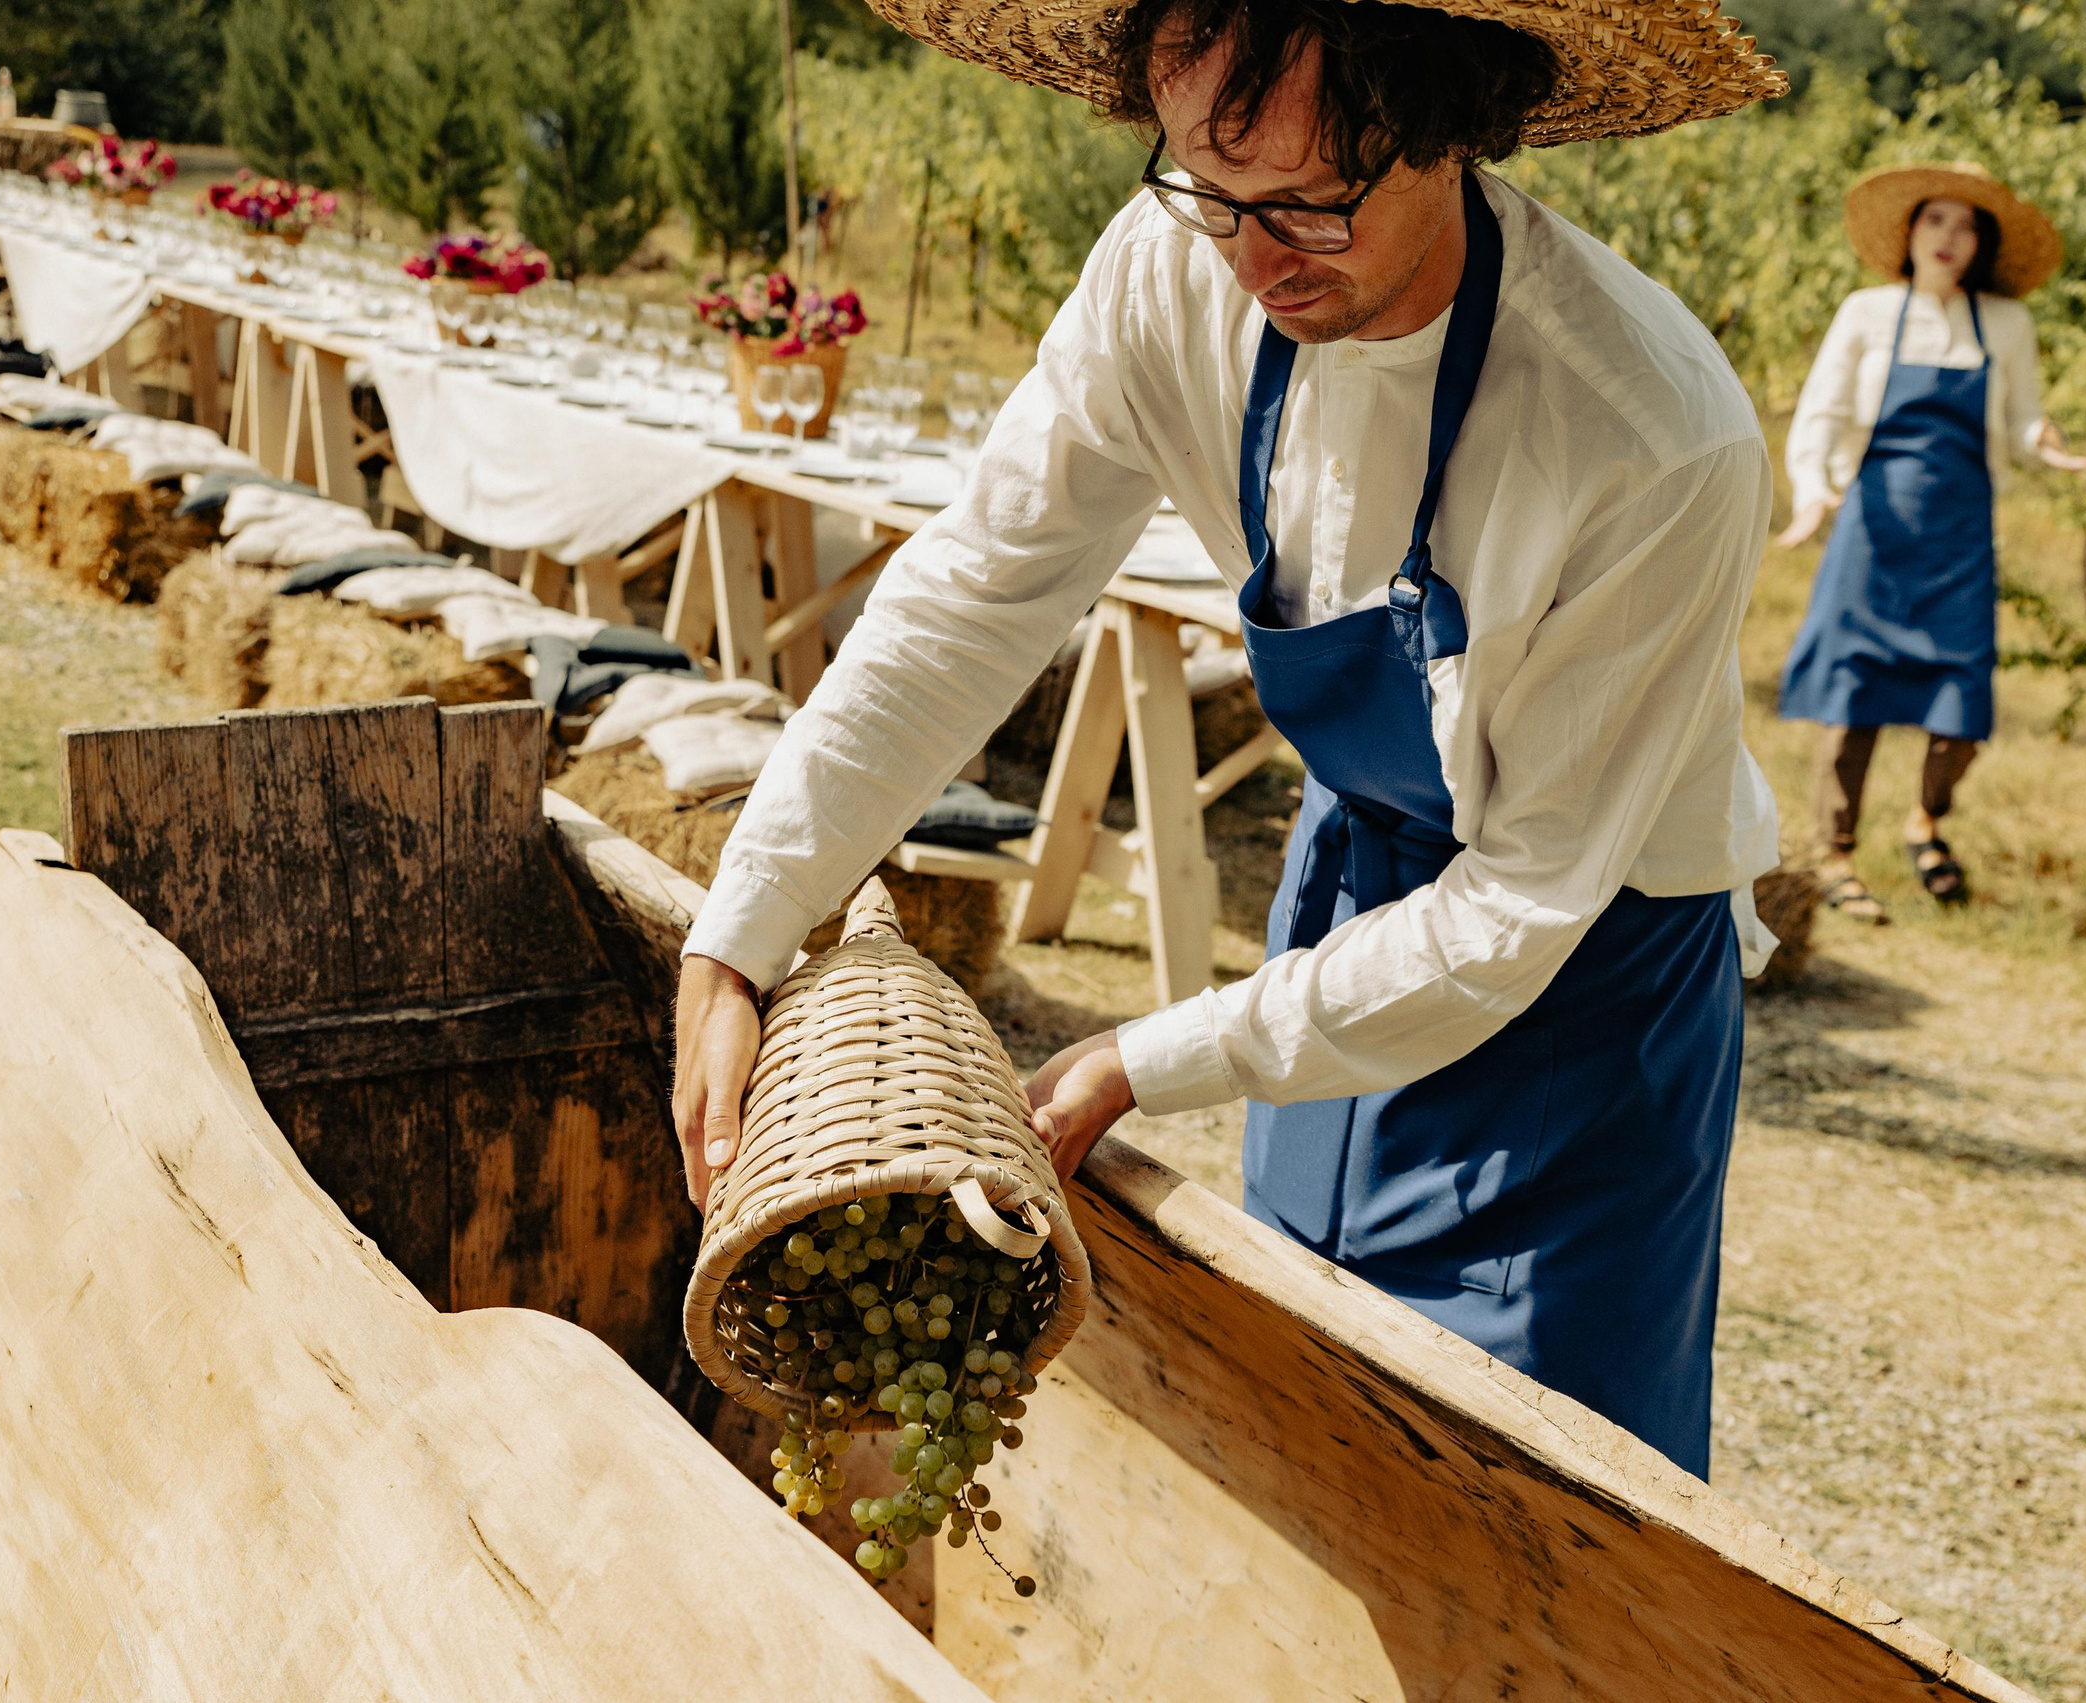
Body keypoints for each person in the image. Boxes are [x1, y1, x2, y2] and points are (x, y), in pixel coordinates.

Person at [671, 0, 1786, 1478]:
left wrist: (1147, 1053)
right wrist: (741, 926)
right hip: (1351, 895)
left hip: (1589, 986)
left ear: (1450, 128)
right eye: (1212, 189)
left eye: (1312, 209)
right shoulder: (1168, 278)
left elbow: (1521, 903)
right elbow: (973, 595)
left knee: (1535, 1490)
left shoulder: (1643, 432)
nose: (1256, 260)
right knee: (1311, 1418)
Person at [1776, 161, 2086, 920]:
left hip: (1959, 537)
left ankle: (1926, 821)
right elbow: (1821, 413)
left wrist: (2045, 443)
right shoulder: (1865, 313)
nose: (1950, 238)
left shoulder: (2007, 324)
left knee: (1962, 696)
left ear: (1981, 244)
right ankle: (1836, 853)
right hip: (1873, 527)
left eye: (1967, 226)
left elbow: (2021, 420)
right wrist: (1813, 488)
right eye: (1936, 221)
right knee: (1851, 691)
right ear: (1910, 233)